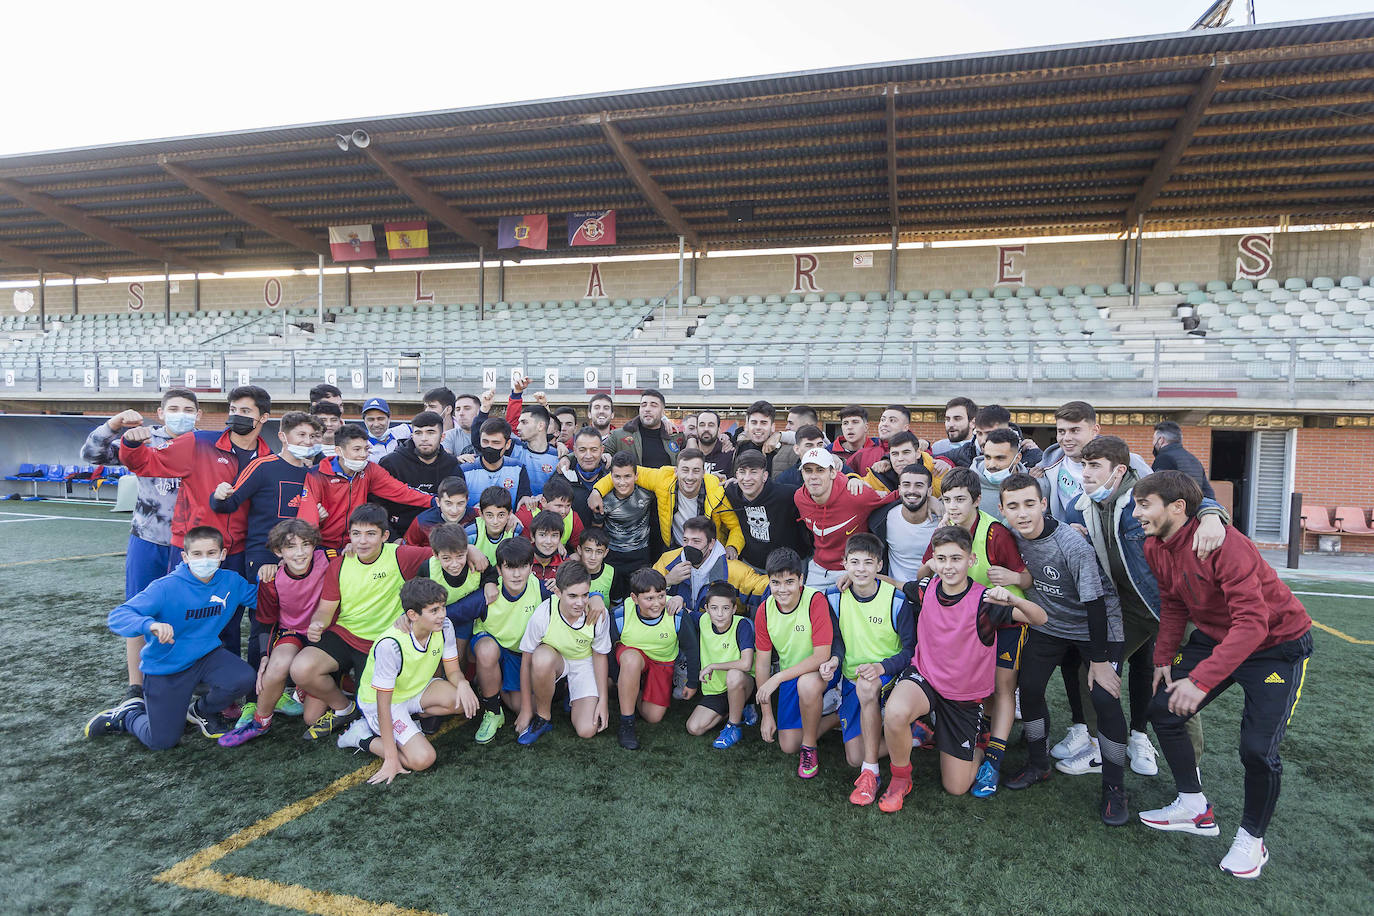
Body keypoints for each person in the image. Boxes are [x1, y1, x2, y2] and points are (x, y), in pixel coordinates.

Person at [1135, 471, 1312, 879]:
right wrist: (1164, 657)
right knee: (1162, 709)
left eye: (1144, 504)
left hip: (1276, 649)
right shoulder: (1153, 545)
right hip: (1217, 638)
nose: (1136, 512)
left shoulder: (1226, 544)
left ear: (1177, 508)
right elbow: (1173, 601)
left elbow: (1253, 625)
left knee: (1257, 749)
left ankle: (1252, 840)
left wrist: (1200, 681)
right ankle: (1194, 807)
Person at [1059, 435, 1226, 777]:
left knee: (1176, 685)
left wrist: (1212, 515)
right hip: (1130, 609)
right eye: (1084, 466)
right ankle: (1101, 748)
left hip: (1175, 609)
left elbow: (1197, 501)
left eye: (1094, 466)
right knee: (1093, 668)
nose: (1086, 473)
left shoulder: (1146, 495)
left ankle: (1189, 771)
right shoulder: (1085, 504)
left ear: (1119, 470)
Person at [877, 526, 1046, 810]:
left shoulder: (986, 602)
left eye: (956, 558)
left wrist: (1015, 599)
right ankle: (900, 778)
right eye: (941, 559)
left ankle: (978, 749)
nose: (948, 566)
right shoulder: (926, 588)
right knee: (895, 712)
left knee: (956, 788)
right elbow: (895, 584)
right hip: (925, 677)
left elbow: (1040, 619)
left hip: (963, 697)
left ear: (971, 560)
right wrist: (864, 576)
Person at [996, 474, 1131, 826]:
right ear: (1002, 510)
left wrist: (1099, 662)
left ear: (1043, 504)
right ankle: (1038, 764)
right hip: (1049, 623)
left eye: (1029, 504)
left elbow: (1097, 605)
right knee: (1030, 688)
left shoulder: (1072, 546)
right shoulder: (1007, 535)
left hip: (1096, 626)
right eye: (1013, 506)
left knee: (1104, 699)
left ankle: (1115, 787)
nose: (1022, 513)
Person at [119, 385, 274, 656]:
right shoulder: (198, 442)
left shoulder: (267, 459)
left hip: (236, 552)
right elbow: (146, 463)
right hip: (192, 551)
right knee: (181, 618)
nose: (236, 416)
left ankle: (221, 691)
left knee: (228, 621)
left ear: (263, 418)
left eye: (245, 411)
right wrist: (131, 444)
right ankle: (170, 682)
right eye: (233, 410)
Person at [86, 527, 259, 749]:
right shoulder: (166, 587)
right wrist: (151, 624)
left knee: (244, 678)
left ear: (223, 555)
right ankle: (128, 716)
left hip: (206, 657)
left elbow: (262, 600)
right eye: (197, 554)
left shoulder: (231, 582)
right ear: (185, 556)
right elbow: (118, 616)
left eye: (211, 553)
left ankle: (200, 711)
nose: (204, 559)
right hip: (167, 667)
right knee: (161, 741)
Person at [918, 467, 1030, 799]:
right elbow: (924, 570)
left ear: (977, 500)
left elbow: (1026, 581)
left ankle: (993, 759)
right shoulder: (945, 529)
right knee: (971, 684)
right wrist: (936, 562)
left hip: (1007, 619)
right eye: (947, 499)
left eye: (960, 500)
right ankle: (970, 739)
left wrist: (1009, 578)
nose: (952, 506)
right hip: (972, 622)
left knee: (1002, 687)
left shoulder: (996, 534)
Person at [81, 388, 200, 702]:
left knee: (184, 615)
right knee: (138, 609)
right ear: (160, 413)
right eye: (174, 407)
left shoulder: (204, 445)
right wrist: (115, 423)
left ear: (198, 415)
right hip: (147, 540)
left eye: (188, 409)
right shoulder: (142, 439)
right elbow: (92, 455)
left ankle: (182, 682)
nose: (181, 413)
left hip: (190, 547)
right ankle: (136, 686)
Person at [289, 505, 436, 740]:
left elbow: (442, 551)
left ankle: (355, 697)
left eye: (370, 534)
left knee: (378, 713)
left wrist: (472, 550)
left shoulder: (400, 555)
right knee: (302, 674)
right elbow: (326, 609)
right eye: (356, 534)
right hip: (345, 634)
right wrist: (318, 623)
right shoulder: (339, 563)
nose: (362, 541)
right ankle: (343, 708)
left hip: (382, 643)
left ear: (385, 536)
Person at [335, 578, 479, 784]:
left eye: (443, 608)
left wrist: (463, 684)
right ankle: (360, 736)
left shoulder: (445, 626)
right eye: (434, 610)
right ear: (412, 615)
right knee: (423, 759)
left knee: (465, 701)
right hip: (383, 703)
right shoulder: (390, 645)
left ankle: (409, 721)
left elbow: (453, 670)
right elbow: (383, 705)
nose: (442, 615)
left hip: (415, 690)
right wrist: (391, 758)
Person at [217, 519, 330, 746]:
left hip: (325, 632)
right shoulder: (271, 579)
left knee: (312, 717)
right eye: (290, 547)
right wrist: (265, 658)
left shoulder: (328, 558)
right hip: (291, 631)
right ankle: (261, 722)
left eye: (305, 545)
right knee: (276, 667)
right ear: (278, 551)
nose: (299, 553)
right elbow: (267, 620)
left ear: (314, 545)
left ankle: (317, 688)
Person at [821, 533, 915, 805]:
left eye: (867, 563)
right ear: (844, 564)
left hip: (890, 676)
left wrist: (882, 666)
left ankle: (870, 772)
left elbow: (910, 650)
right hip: (853, 679)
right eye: (854, 562)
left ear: (879, 565)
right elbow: (837, 640)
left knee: (867, 684)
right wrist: (835, 660)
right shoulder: (834, 597)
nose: (860, 569)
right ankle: (912, 735)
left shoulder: (896, 600)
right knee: (852, 756)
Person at [210, 411, 323, 581]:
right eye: (301, 434)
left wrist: (319, 515)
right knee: (265, 607)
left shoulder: (313, 474)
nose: (307, 441)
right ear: (282, 436)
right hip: (264, 558)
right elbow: (229, 503)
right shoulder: (262, 466)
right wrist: (219, 496)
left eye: (313, 436)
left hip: (300, 556)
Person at [754, 547, 836, 779]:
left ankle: (809, 748)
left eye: (790, 581)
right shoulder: (765, 610)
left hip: (823, 672)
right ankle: (836, 716)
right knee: (788, 745)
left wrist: (778, 676)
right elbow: (761, 663)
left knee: (807, 686)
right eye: (776, 583)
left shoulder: (815, 600)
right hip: (793, 675)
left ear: (801, 579)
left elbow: (822, 655)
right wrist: (767, 714)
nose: (782, 589)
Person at [296, 424, 436, 552]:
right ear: (339, 450)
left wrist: (434, 501)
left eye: (366, 449)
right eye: (357, 449)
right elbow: (307, 519)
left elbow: (401, 491)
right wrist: (303, 552)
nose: (363, 454)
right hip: (324, 546)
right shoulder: (317, 474)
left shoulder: (369, 469)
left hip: (359, 543)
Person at [515, 561, 612, 745]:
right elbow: (527, 660)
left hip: (584, 664)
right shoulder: (544, 613)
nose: (580, 602)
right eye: (573, 596)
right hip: (556, 662)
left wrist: (603, 701)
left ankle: (572, 695)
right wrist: (526, 709)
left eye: (585, 595)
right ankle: (543, 717)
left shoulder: (597, 613)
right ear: (558, 592)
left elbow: (600, 657)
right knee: (541, 657)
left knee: (587, 730)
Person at [590, 447, 741, 553]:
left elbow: (735, 527)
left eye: (696, 470)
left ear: (703, 472)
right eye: (685, 470)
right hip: (673, 550)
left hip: (707, 553)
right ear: (676, 471)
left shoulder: (716, 493)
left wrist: (732, 547)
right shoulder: (663, 479)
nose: (689, 477)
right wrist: (597, 491)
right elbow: (624, 472)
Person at [793, 448, 895, 587]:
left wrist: (929, 500)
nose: (813, 476)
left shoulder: (856, 494)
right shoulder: (800, 498)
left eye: (820, 470)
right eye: (808, 470)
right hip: (817, 569)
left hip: (851, 572)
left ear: (833, 472)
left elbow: (893, 498)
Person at [611, 567, 685, 749]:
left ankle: (631, 689)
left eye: (660, 596)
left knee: (653, 717)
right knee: (631, 659)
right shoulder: (622, 613)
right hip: (634, 659)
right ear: (634, 599)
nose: (657, 603)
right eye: (649, 598)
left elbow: (691, 644)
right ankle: (627, 723)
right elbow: (608, 648)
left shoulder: (674, 609)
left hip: (662, 662)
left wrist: (691, 683)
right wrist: (613, 678)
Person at [681, 582, 755, 748]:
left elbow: (746, 663)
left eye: (726, 608)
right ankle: (739, 709)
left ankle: (733, 726)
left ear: (734, 609)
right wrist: (678, 598)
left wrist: (713, 666)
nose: (720, 614)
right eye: (714, 608)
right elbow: (683, 610)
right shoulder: (703, 620)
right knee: (694, 727)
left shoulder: (742, 625)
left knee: (733, 674)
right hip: (716, 690)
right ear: (706, 608)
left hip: (743, 684)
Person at [653, 515, 770, 617]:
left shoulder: (735, 570)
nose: (689, 546)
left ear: (711, 543)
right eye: (685, 540)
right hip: (679, 629)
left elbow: (766, 588)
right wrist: (666, 581)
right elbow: (644, 593)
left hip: (720, 632)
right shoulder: (667, 560)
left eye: (696, 541)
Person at [722, 449, 810, 570]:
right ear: (736, 475)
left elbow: (817, 495)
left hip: (789, 567)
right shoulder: (730, 492)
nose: (747, 478)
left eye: (753, 472)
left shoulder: (787, 495)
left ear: (764, 476)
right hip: (751, 566)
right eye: (742, 472)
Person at [378, 411, 460, 539]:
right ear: (412, 436)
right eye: (418, 433)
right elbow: (376, 506)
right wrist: (393, 538)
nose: (424, 438)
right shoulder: (390, 463)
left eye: (430, 432)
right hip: (399, 536)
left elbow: (457, 503)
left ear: (442, 437)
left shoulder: (451, 464)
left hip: (440, 536)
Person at [590, 451, 658, 599]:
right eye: (617, 477)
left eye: (627, 476)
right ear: (611, 477)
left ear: (636, 476)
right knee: (615, 600)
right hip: (613, 557)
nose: (622, 482)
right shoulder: (603, 500)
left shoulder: (647, 493)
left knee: (639, 599)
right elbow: (596, 530)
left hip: (640, 556)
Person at [868, 463, 940, 581]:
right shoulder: (883, 518)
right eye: (906, 485)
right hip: (895, 593)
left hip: (933, 591)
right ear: (900, 489)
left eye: (919, 485)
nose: (912, 490)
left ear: (929, 491)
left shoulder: (943, 521)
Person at [457, 418, 533, 513]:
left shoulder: (518, 469)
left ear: (508, 444)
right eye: (485, 442)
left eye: (496, 442)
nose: (489, 447)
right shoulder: (465, 469)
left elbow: (523, 500)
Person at [503, 379, 561, 495]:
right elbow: (510, 423)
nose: (518, 427)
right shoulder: (513, 447)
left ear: (540, 426)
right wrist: (516, 393)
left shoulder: (559, 456)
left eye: (524, 422)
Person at [853, 430, 945, 498]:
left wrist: (935, 502)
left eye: (906, 452)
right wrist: (852, 480)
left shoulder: (938, 472)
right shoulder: (878, 476)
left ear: (917, 453)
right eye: (895, 454)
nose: (900, 459)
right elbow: (857, 485)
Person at [949, 404, 1043, 469]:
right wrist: (944, 462)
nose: (983, 440)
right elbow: (935, 458)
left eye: (990, 433)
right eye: (979, 433)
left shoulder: (1034, 456)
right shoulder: (965, 452)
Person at [610, 389, 683, 468]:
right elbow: (600, 454)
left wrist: (691, 438)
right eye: (643, 405)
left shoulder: (677, 436)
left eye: (654, 405)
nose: (647, 409)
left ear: (663, 412)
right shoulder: (618, 436)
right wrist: (605, 455)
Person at [970, 427, 1028, 519]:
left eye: (1000, 458)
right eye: (988, 457)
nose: (992, 465)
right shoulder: (967, 484)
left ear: (1017, 458)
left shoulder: (1035, 486)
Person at [514, 475, 584, 551]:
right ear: (544, 502)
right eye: (558, 506)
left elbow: (580, 549)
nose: (563, 511)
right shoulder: (526, 516)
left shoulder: (573, 518)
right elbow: (518, 552)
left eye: (568, 506)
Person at [1151, 421, 1216, 499]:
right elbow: (1208, 493)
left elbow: (1157, 490)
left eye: (1154, 439)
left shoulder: (1164, 458)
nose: (1153, 442)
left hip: (1176, 508)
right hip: (1194, 507)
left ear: (1161, 440)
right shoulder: (1194, 460)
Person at [845, 405, 914, 476]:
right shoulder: (861, 455)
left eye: (892, 420)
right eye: (882, 420)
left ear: (905, 427)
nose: (884, 424)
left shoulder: (920, 453)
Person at [403, 476, 471, 548]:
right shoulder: (422, 522)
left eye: (460, 503)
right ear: (438, 502)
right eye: (448, 503)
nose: (454, 510)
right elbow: (406, 550)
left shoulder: (476, 516)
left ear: (467, 501)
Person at [465, 486, 524, 566]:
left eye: (501, 515)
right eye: (489, 515)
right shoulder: (471, 531)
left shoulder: (515, 531)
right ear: (481, 514)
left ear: (509, 514)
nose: (495, 521)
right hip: (477, 574)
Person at [564, 426, 608, 528]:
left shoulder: (613, 477)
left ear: (602, 450)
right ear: (574, 451)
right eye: (582, 450)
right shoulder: (562, 477)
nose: (588, 456)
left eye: (594, 450)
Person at [727, 400, 778, 476]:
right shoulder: (739, 448)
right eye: (754, 422)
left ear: (773, 427)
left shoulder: (780, 451)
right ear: (747, 425)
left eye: (763, 423)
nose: (758, 427)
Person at [773, 424, 827, 490]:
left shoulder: (836, 470)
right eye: (809, 445)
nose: (815, 450)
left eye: (819, 445)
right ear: (797, 449)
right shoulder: (785, 480)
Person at [361, 397, 411, 463]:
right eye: (371, 419)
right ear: (364, 421)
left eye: (380, 419)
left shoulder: (403, 431)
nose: (376, 424)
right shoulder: (360, 444)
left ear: (389, 418)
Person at [576, 527, 616, 605]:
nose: (593, 557)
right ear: (579, 550)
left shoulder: (612, 573)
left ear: (605, 553)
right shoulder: (570, 572)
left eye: (599, 552)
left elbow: (614, 604)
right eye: (588, 550)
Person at [441, 391, 487, 456]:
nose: (461, 413)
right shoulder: (448, 435)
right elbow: (444, 459)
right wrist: (457, 459)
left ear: (479, 411)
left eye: (467, 408)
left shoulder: (492, 434)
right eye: (458, 409)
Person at [526, 510, 567, 583]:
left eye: (554, 535)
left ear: (560, 539)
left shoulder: (566, 565)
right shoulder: (522, 561)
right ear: (532, 536)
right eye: (542, 535)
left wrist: (561, 587)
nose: (548, 541)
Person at [695, 410, 734, 478]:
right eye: (702, 425)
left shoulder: (729, 454)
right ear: (697, 428)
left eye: (711, 425)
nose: (706, 429)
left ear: (718, 429)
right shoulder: (687, 450)